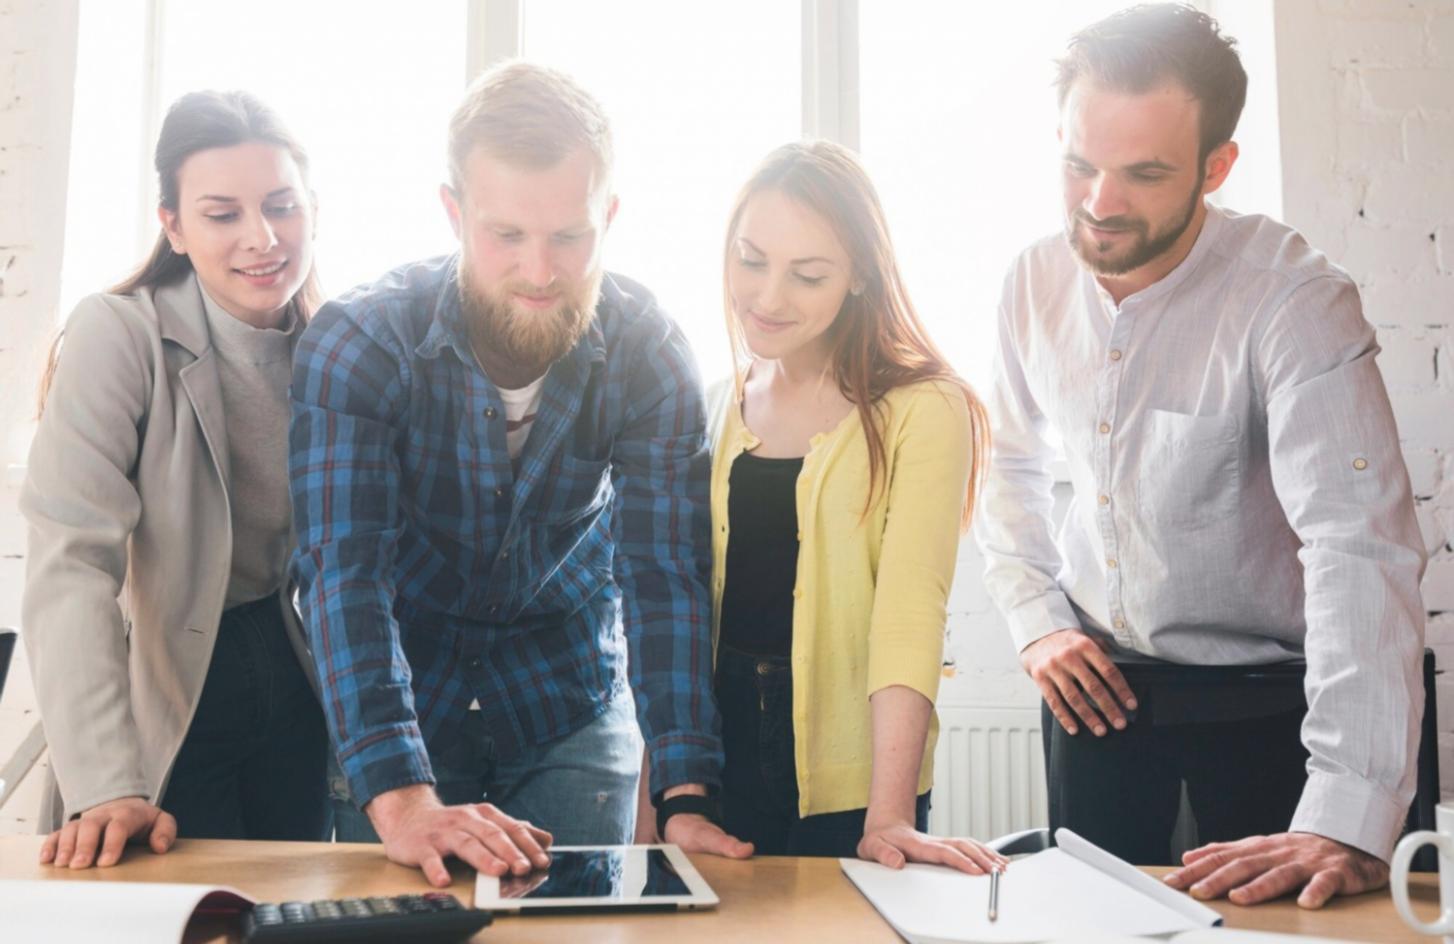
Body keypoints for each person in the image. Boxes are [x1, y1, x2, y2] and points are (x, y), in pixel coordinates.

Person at [974, 3, 1427, 909]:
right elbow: (1007, 466)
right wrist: (1037, 620)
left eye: (1144, 174)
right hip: (1099, 693)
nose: (1100, 204)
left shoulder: (1295, 301)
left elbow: (1357, 546)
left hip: (1274, 706)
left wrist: (1346, 812)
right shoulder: (1029, 281)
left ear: (1216, 167)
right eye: (1079, 165)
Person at [289, 61, 733, 888]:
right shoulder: (360, 342)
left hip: (566, 693)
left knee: (572, 927)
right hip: (403, 703)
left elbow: (664, 574)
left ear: (609, 215)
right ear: (454, 213)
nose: (539, 272)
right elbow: (343, 576)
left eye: (570, 237)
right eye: (506, 237)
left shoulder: (651, 351)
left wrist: (684, 790)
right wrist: (400, 793)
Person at [656, 140, 1004, 873]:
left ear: (858, 278)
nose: (768, 297)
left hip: (856, 781)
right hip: (720, 773)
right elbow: (680, 608)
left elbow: (911, 613)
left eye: (807, 275)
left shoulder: (924, 407)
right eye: (751, 261)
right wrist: (670, 794)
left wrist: (889, 814)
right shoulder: (718, 404)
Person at [22, 90, 331, 869]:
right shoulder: (117, 333)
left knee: (285, 912)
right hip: (170, 686)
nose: (262, 238)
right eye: (222, 214)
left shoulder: (336, 347)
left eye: (281, 206)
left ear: (312, 208)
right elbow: (71, 563)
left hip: (295, 680)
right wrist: (103, 783)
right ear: (174, 226)